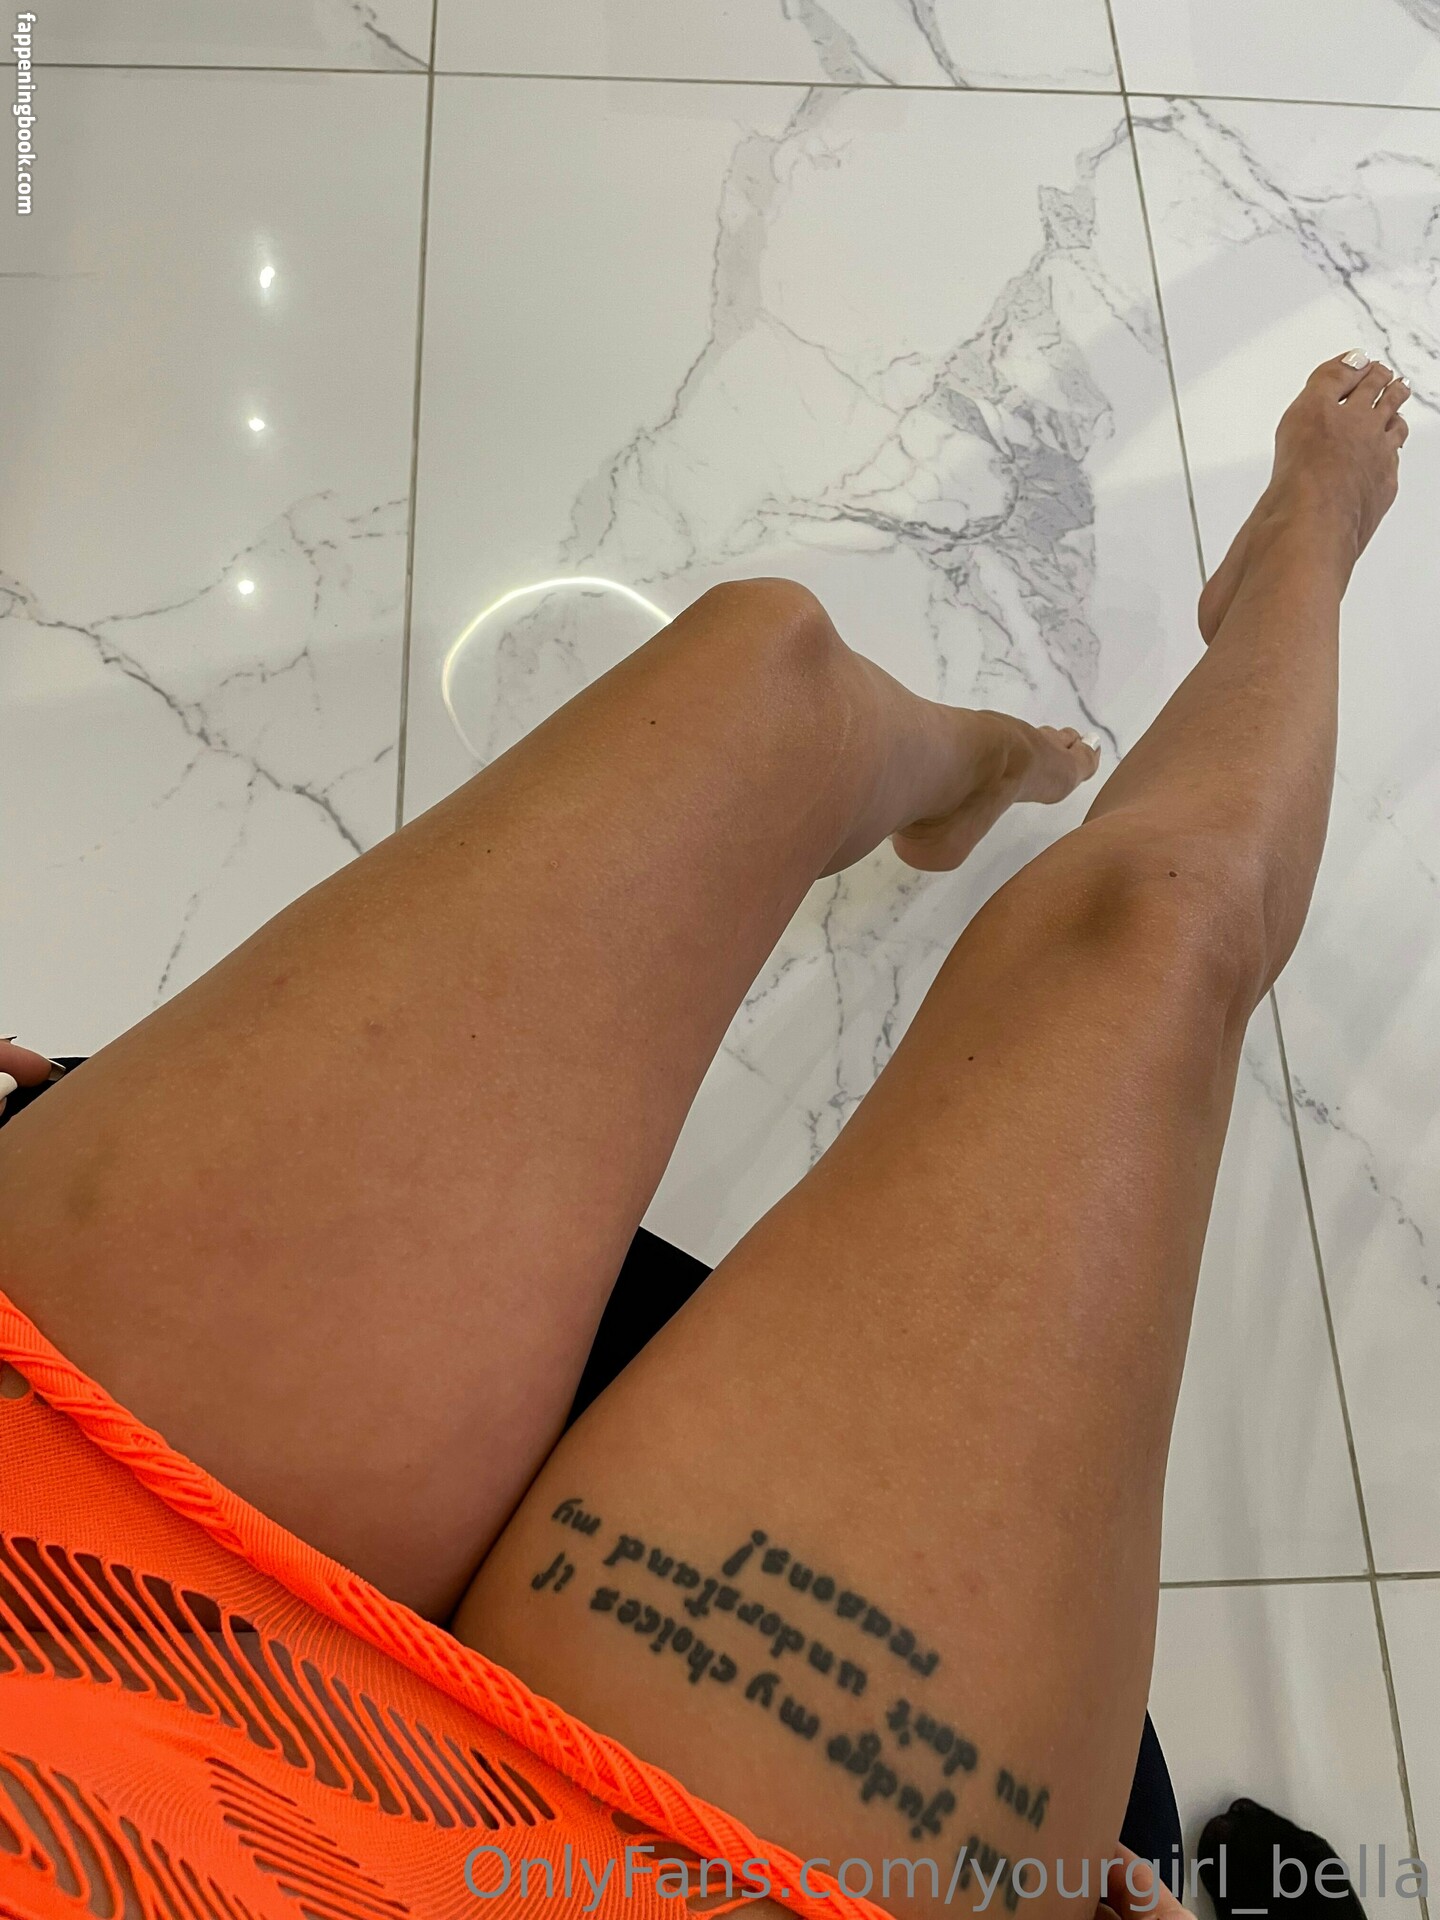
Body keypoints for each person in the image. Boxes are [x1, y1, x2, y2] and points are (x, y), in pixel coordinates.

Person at [0, 350, 1407, 1920]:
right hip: (646, 1882)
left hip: (49, 1580)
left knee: (763, 671)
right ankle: (1307, 544)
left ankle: (975, 765)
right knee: (1158, 930)